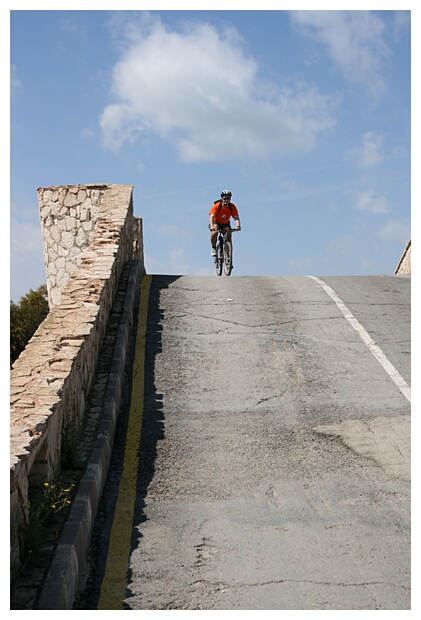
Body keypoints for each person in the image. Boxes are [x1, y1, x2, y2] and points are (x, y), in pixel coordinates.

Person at [209, 190, 241, 256]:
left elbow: (236, 217)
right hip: (216, 222)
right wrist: (212, 227)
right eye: (225, 198)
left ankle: (229, 256)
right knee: (214, 232)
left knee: (229, 236)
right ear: (222, 199)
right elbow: (211, 216)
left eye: (228, 198)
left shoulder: (232, 207)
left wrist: (238, 226)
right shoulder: (217, 206)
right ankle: (214, 248)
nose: (226, 200)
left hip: (225, 223)